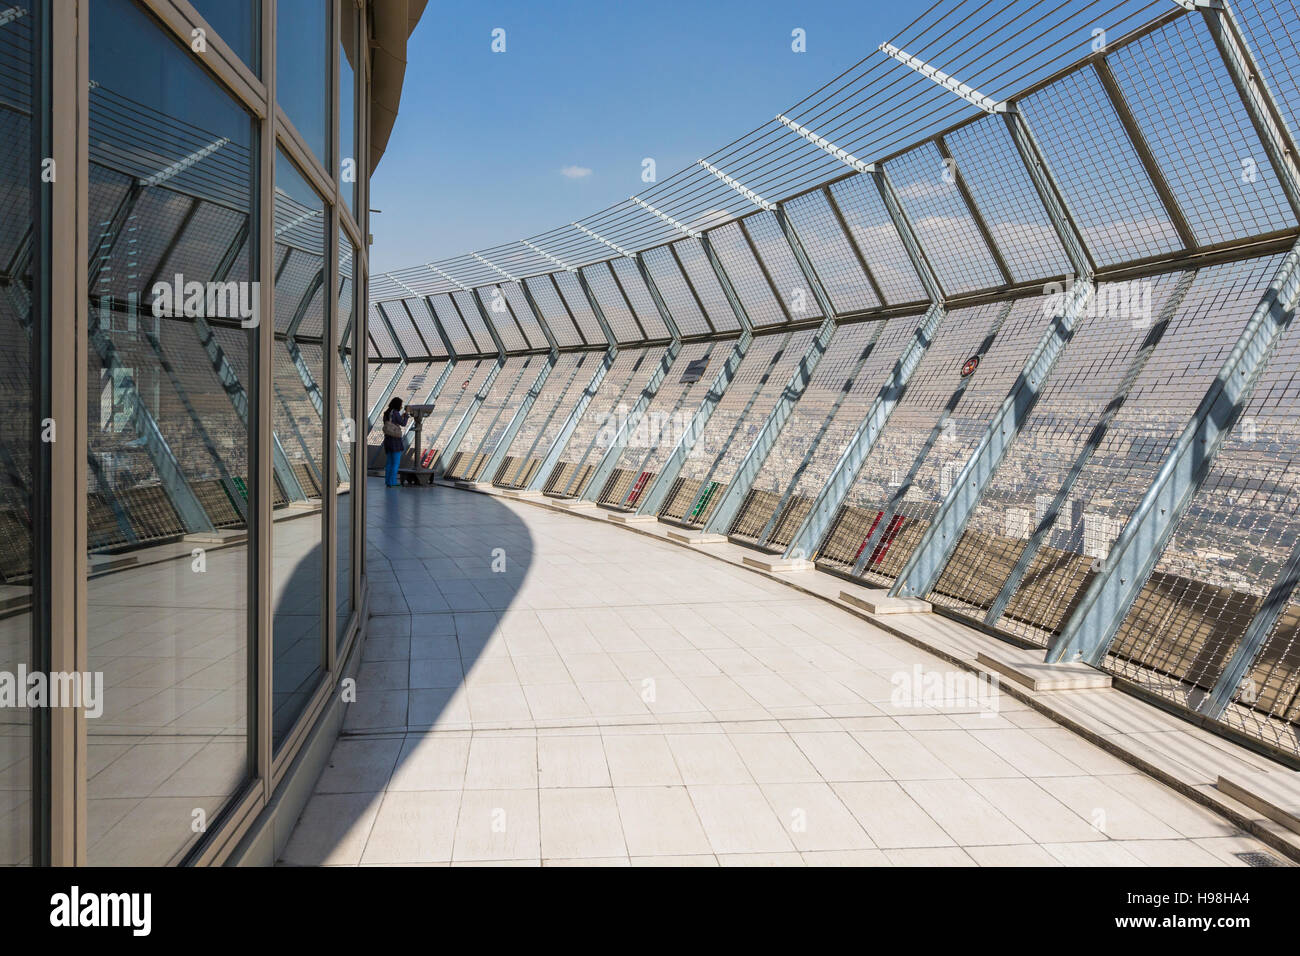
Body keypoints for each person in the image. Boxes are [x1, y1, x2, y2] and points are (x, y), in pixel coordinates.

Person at [381, 397, 410, 487]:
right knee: (395, 463)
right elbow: (403, 423)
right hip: (395, 441)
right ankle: (393, 482)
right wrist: (407, 414)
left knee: (389, 463)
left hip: (388, 440)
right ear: (397, 405)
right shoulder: (396, 413)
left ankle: (388, 481)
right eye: (400, 405)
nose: (401, 407)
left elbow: (392, 422)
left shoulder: (387, 413)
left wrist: (400, 416)